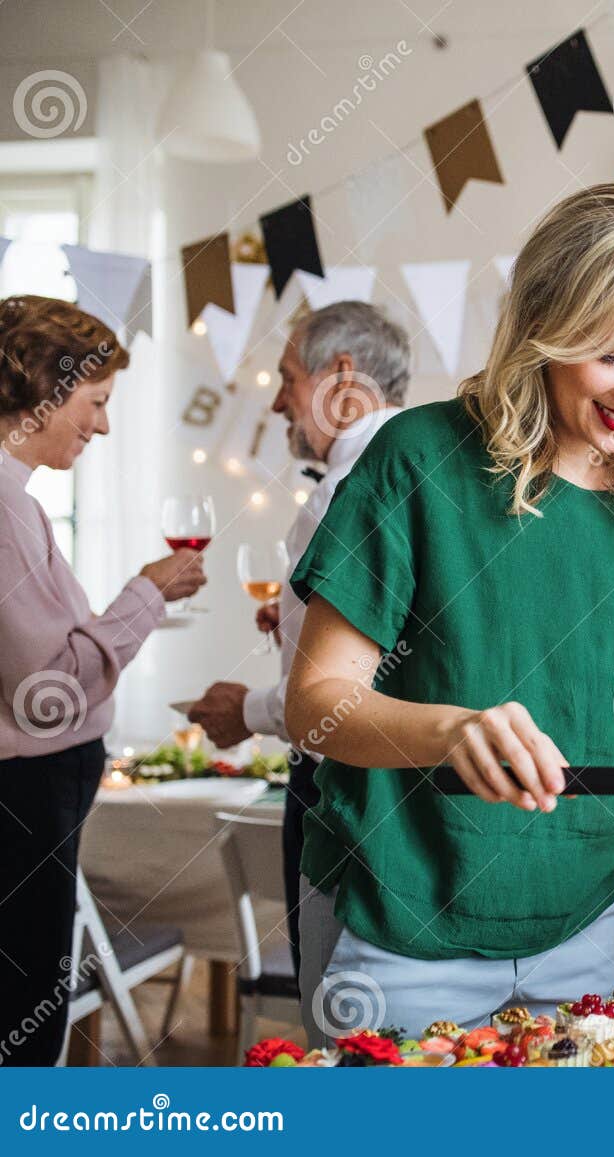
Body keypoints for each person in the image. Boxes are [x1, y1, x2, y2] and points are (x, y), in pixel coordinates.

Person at [283, 184, 614, 1043]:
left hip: (581, 930)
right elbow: (315, 702)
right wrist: (451, 731)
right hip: (402, 931)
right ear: (548, 326)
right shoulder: (417, 460)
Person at [0, 296, 206, 1065]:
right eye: (95, 403)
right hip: (22, 798)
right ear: (43, 391)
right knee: (23, 1018)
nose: (102, 425)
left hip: (29, 795)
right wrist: (147, 590)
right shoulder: (4, 509)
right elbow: (49, 690)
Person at [187, 301, 409, 981]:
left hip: (339, 788)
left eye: (287, 377)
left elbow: (328, 704)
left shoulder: (343, 492)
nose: (280, 400)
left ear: (339, 374)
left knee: (335, 1002)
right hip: (415, 794)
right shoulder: (429, 471)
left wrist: (244, 710)